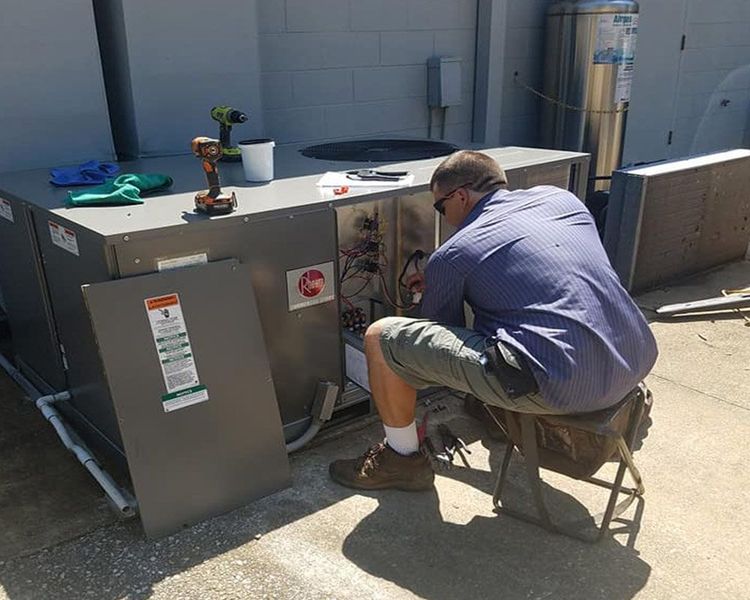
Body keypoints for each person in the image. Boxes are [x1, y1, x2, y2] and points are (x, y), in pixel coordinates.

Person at [329, 150, 658, 491]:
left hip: (563, 384)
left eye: (441, 207)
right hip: (633, 360)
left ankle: (402, 460)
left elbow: (440, 338)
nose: (444, 216)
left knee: (382, 338)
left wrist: (442, 280)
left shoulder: (453, 254)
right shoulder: (562, 200)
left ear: (460, 196)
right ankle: (495, 411)